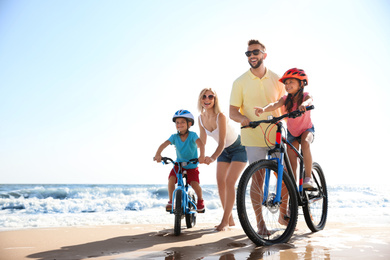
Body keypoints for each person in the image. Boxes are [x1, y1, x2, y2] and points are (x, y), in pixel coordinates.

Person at [229, 39, 286, 234]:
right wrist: (243, 118)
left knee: (284, 176)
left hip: (276, 134)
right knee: (257, 179)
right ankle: (261, 225)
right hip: (252, 135)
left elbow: (285, 104)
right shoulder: (239, 82)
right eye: (248, 53)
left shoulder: (278, 80)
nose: (252, 56)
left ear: (264, 54)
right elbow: (232, 112)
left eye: (255, 52)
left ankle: (283, 214)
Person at [254, 68, 314, 189]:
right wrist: (264, 109)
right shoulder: (286, 99)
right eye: (286, 83)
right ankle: (293, 190)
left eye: (291, 82)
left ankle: (308, 177)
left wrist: (303, 105)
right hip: (292, 133)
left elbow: (310, 100)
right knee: (292, 164)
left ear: (301, 84)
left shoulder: (305, 96)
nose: (287, 85)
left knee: (305, 143)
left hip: (306, 130)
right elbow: (275, 104)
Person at [197, 88, 247, 231]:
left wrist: (212, 157)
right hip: (224, 152)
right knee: (220, 183)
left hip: (238, 148)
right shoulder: (201, 118)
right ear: (200, 100)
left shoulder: (221, 117)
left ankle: (224, 221)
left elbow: (222, 142)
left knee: (229, 182)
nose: (207, 99)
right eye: (204, 97)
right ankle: (230, 219)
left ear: (214, 99)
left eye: (210, 97)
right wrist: (202, 155)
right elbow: (202, 140)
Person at [154, 109, 206, 213]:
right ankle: (171, 201)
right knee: (171, 180)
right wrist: (158, 154)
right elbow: (164, 144)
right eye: (177, 122)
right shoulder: (174, 137)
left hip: (192, 165)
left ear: (189, 123)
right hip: (179, 165)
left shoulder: (192, 135)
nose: (179, 124)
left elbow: (200, 144)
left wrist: (202, 156)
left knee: (195, 184)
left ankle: (200, 200)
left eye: (182, 122)